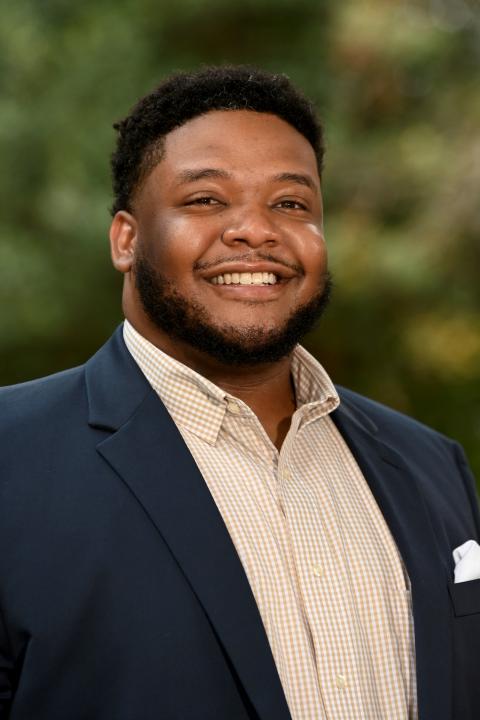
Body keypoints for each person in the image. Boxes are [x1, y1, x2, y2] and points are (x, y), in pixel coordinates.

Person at [0, 66, 479, 720]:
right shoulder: (12, 458)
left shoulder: (431, 465)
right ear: (126, 239)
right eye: (206, 200)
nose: (257, 231)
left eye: (290, 204)